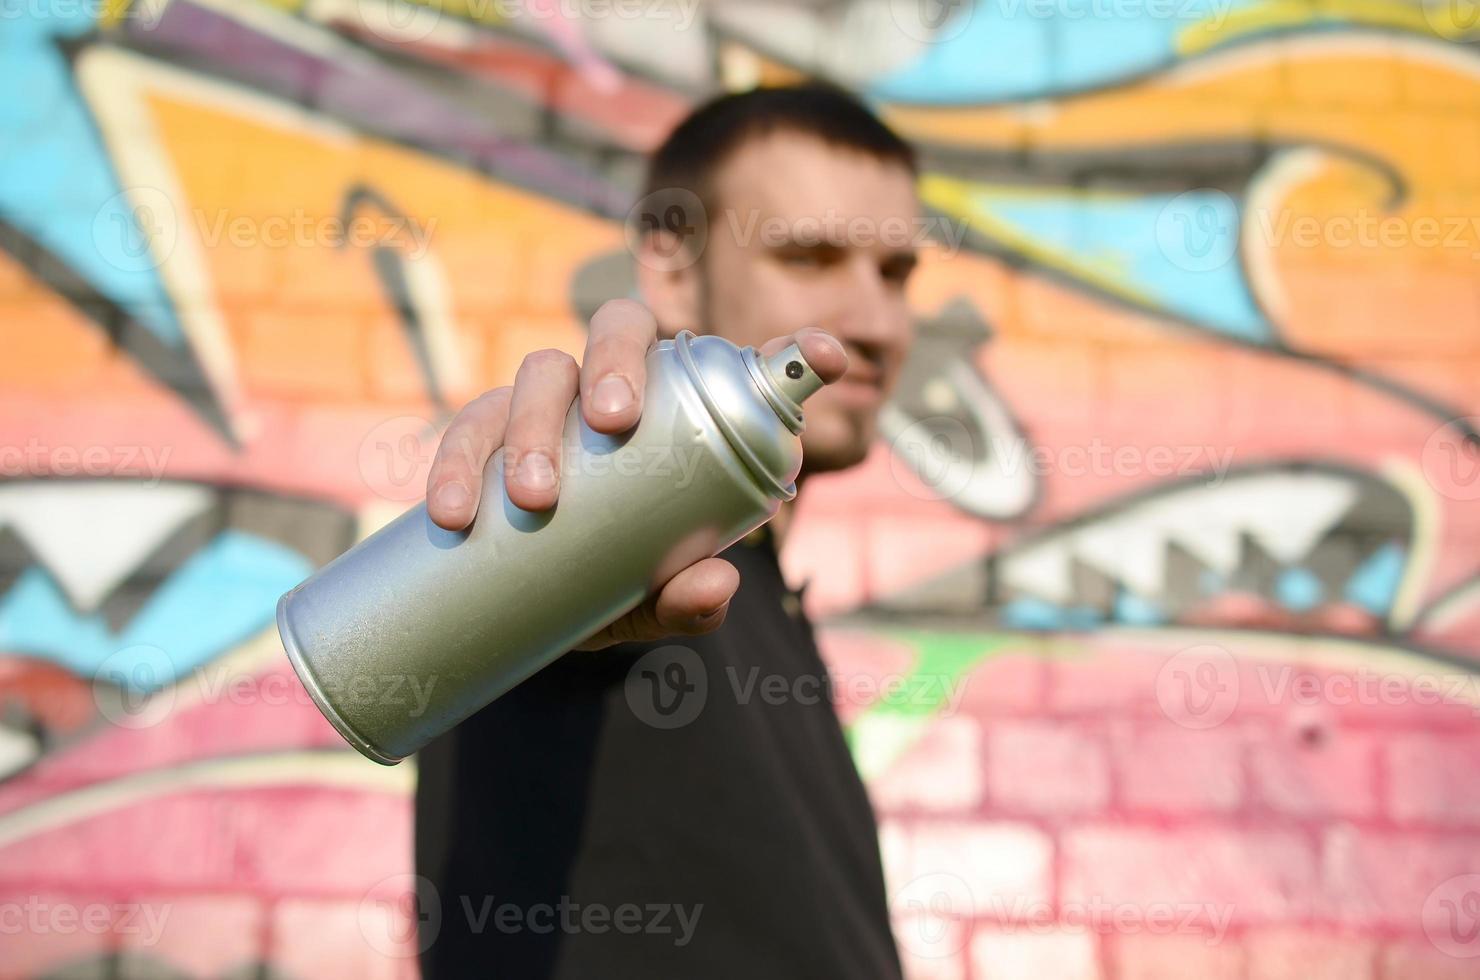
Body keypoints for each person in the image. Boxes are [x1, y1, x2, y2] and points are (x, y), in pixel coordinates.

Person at [415, 83, 920, 979]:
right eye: (809, 257)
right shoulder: (630, 556)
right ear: (673, 269)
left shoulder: (757, 590)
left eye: (895, 274)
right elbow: (490, 623)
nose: (877, 324)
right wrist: (533, 520)